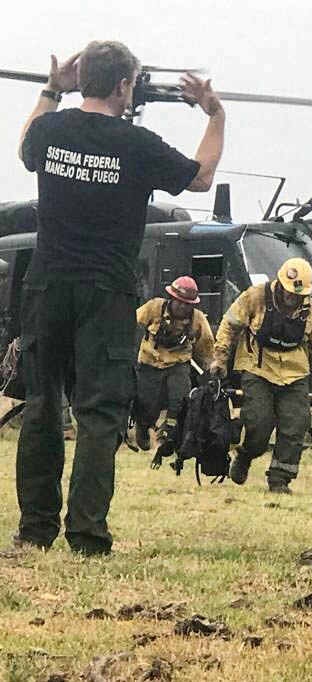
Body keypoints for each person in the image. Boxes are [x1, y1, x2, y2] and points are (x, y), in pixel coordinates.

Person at [13, 41, 225, 555]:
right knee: (100, 413)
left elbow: (24, 149)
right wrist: (215, 114)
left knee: (41, 406)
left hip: (46, 286)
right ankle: (87, 536)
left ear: (82, 80)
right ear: (126, 86)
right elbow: (200, 177)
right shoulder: (138, 144)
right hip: (106, 293)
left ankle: (35, 531)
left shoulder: (51, 129)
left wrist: (50, 90)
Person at [211, 258, 312, 494]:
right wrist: (220, 357)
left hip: (295, 374)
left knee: (296, 423)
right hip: (257, 370)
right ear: (279, 283)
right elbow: (229, 326)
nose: (292, 298)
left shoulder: (311, 312)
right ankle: (246, 455)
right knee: (259, 423)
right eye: (289, 293)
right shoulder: (255, 297)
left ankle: (280, 479)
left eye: (297, 295)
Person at [134, 275, 214, 451]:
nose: (183, 306)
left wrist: (210, 374)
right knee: (147, 403)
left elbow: (206, 348)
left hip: (179, 364)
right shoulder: (153, 307)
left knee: (180, 398)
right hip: (149, 363)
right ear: (172, 298)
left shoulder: (198, 320)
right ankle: (143, 425)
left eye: (188, 303)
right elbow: (132, 324)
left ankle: (169, 433)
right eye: (180, 301)